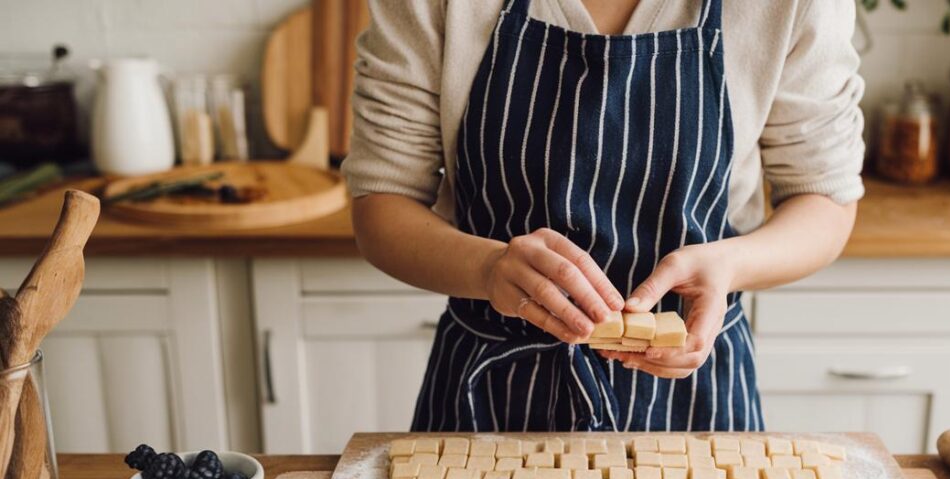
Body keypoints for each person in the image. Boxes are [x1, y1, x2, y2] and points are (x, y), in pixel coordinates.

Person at [344, 0, 864, 433]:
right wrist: (487, 268)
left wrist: (730, 264)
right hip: (491, 393)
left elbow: (826, 199)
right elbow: (382, 204)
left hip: (694, 396)